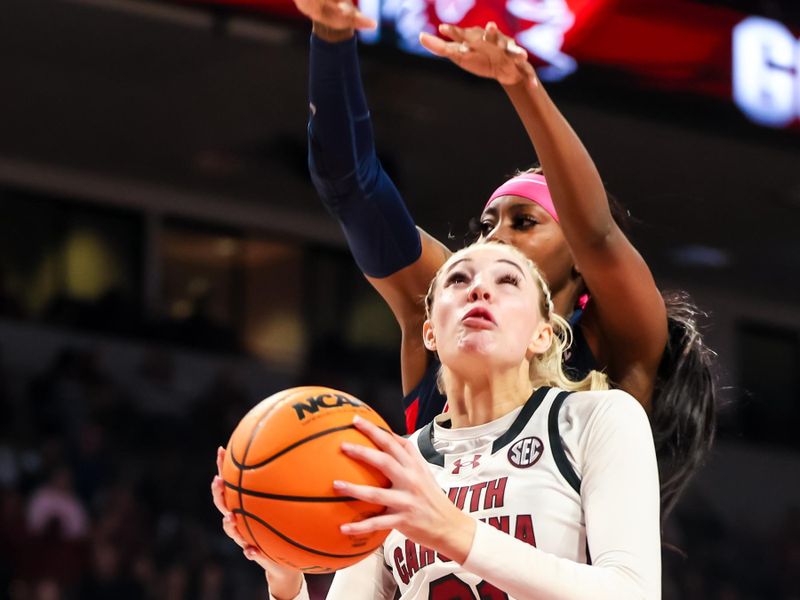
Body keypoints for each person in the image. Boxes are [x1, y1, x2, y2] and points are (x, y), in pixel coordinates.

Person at [300, 5, 715, 517]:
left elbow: (597, 234)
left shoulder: (614, 346)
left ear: (579, 264)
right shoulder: (446, 310)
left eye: (524, 222)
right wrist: (331, 35)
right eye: (487, 226)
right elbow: (350, 183)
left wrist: (521, 84)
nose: (495, 238)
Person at [211, 242, 661, 599]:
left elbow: (632, 592)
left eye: (507, 281)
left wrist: (454, 530)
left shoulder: (597, 418)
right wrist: (285, 578)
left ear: (542, 334)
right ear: (430, 330)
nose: (479, 290)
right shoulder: (391, 463)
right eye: (458, 280)